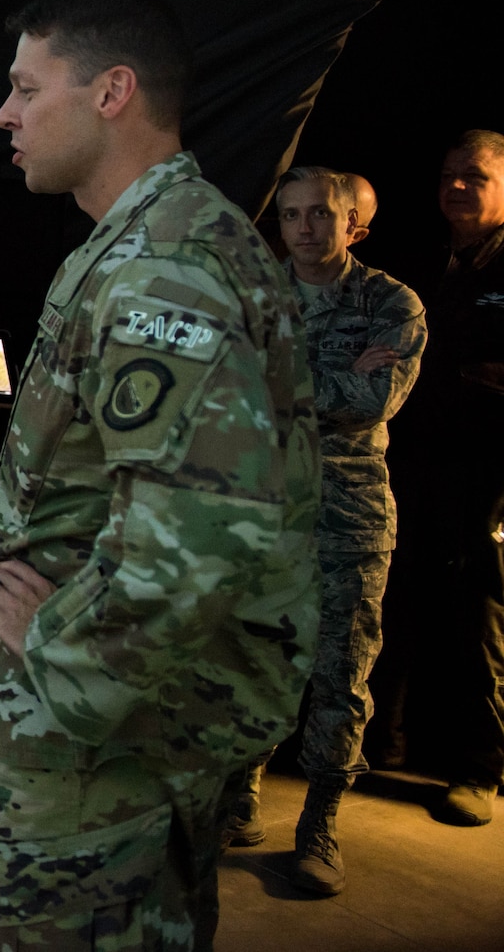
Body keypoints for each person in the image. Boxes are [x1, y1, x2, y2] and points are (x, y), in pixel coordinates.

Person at [0, 0, 319, 952]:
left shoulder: (161, 268)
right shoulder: (140, 243)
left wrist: (58, 645)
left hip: (110, 736)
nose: (2, 113)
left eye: (25, 89)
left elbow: (197, 535)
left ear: (109, 92)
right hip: (127, 727)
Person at [219, 166, 425, 895]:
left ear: (353, 224)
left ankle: (320, 825)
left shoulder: (390, 303)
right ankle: (240, 799)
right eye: (292, 216)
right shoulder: (255, 290)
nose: (305, 228)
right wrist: (323, 376)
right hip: (262, 510)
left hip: (349, 518)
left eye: (321, 216)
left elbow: (372, 400)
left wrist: (282, 380)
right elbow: (224, 391)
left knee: (339, 677)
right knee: (253, 662)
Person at [387, 131, 504, 824]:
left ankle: (481, 769)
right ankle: (383, 739)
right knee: (396, 594)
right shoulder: (425, 261)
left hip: (490, 471)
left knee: (479, 607)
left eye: (477, 176)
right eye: (448, 174)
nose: (458, 186)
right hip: (417, 460)